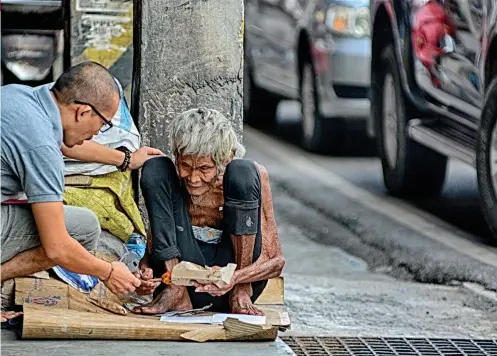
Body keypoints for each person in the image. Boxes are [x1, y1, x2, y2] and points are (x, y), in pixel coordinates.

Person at [1, 62, 162, 304]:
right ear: (83, 112)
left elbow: (65, 143)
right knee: (83, 229)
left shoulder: (20, 97)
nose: (99, 133)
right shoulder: (42, 150)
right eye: (104, 123)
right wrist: (108, 271)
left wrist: (126, 159)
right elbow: (57, 247)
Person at [133, 108, 285, 316]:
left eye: (204, 168)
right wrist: (145, 270)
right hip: (180, 284)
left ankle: (240, 294)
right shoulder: (173, 179)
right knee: (155, 168)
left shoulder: (250, 177)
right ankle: (175, 292)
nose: (193, 179)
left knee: (245, 172)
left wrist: (236, 279)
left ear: (225, 159)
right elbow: (156, 242)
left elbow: (275, 262)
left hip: (234, 283)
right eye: (185, 166)